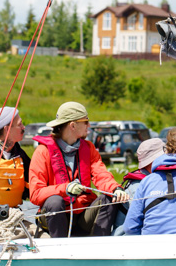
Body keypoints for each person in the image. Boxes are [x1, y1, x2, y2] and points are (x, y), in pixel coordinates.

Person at [28, 101, 123, 238]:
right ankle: (59, 249)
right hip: (55, 215)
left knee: (109, 198)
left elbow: (101, 174)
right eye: (85, 121)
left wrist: (115, 189)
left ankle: (99, 249)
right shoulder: (43, 152)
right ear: (73, 125)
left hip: (82, 215)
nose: (89, 126)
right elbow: (35, 193)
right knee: (55, 201)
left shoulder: (89, 148)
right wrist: (65, 189)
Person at [90, 137, 166, 236]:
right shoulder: (138, 186)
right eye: (164, 157)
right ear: (153, 161)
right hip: (125, 239)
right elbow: (133, 227)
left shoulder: (147, 179)